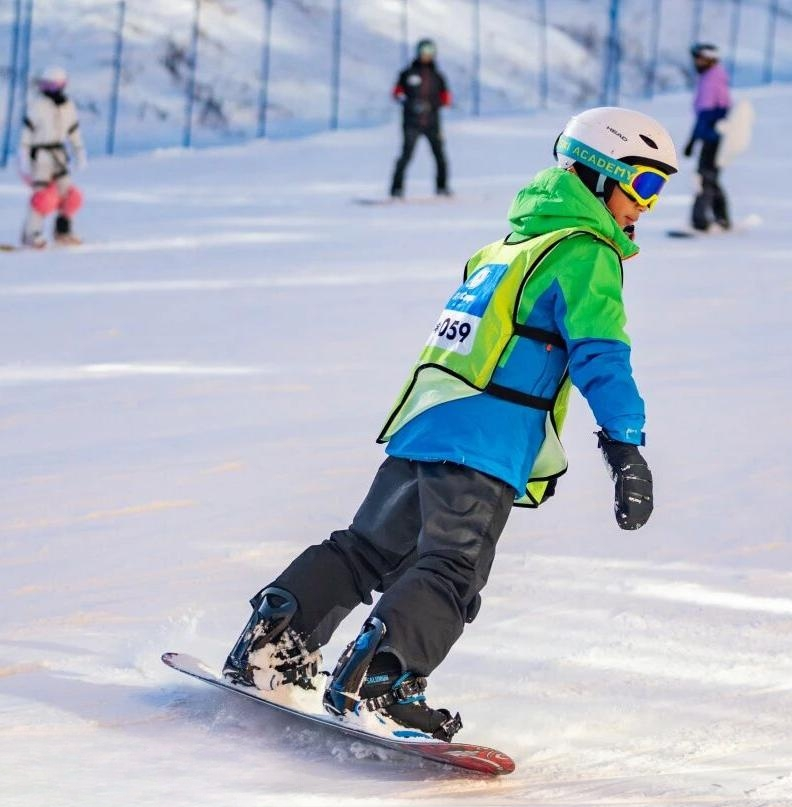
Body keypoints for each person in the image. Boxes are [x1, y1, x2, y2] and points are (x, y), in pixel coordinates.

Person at [223, 106, 678, 742]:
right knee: (452, 567)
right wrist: (625, 446)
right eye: (646, 184)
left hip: (425, 427)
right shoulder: (584, 252)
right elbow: (600, 353)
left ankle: (274, 641)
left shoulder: (502, 250)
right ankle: (383, 682)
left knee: (366, 550)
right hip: (485, 443)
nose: (647, 207)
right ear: (603, 174)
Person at [18, 66, 87, 249]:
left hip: (59, 156)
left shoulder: (67, 106)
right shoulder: (38, 105)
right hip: (40, 157)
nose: (51, 90)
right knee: (42, 197)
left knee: (68, 195)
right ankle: (32, 233)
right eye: (47, 86)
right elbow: (26, 134)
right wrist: (23, 157)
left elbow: (73, 131)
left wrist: (79, 151)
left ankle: (63, 230)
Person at [389, 38, 452, 199]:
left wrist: (431, 105)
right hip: (412, 123)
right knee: (406, 155)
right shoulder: (407, 74)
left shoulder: (438, 76)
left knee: (440, 155)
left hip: (432, 122)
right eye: (424, 51)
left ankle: (442, 187)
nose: (426, 55)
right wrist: (411, 104)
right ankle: (396, 189)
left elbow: (446, 99)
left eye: (430, 51)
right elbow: (397, 94)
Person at [683, 42, 731, 231]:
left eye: (699, 58)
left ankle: (701, 221)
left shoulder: (711, 80)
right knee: (710, 177)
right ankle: (722, 218)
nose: (696, 62)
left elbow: (706, 114)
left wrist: (692, 140)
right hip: (715, 136)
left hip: (712, 137)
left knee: (704, 177)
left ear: (710, 59)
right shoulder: (715, 77)